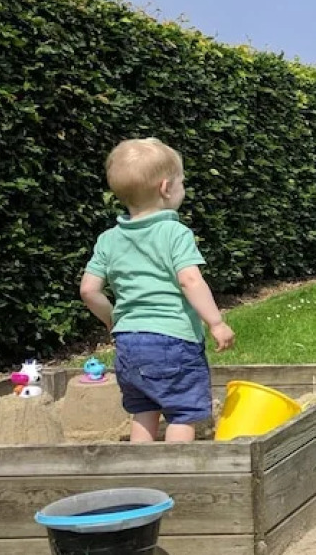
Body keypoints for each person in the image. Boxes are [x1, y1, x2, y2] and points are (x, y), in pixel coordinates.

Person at [79, 138, 235, 443]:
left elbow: (88, 290)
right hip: (173, 340)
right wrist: (216, 322)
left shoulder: (108, 239)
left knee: (144, 411)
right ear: (166, 188)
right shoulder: (175, 232)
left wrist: (112, 319)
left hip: (128, 343)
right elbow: (190, 280)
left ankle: (142, 477)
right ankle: (174, 475)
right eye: (182, 183)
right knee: (183, 412)